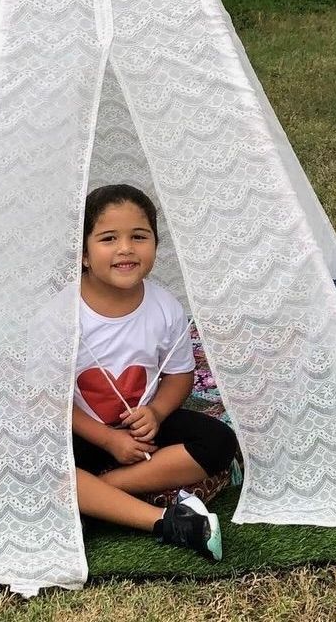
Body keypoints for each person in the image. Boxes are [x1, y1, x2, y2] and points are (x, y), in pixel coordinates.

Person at [68, 183, 238, 560]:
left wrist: (156, 413)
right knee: (44, 468)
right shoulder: (61, 315)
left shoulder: (165, 309)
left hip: (142, 429)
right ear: (82, 254)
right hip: (79, 429)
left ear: (155, 246)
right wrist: (108, 440)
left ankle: (101, 492)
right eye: (109, 238)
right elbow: (48, 400)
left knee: (220, 442)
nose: (126, 248)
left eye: (139, 236)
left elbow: (179, 376)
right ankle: (167, 522)